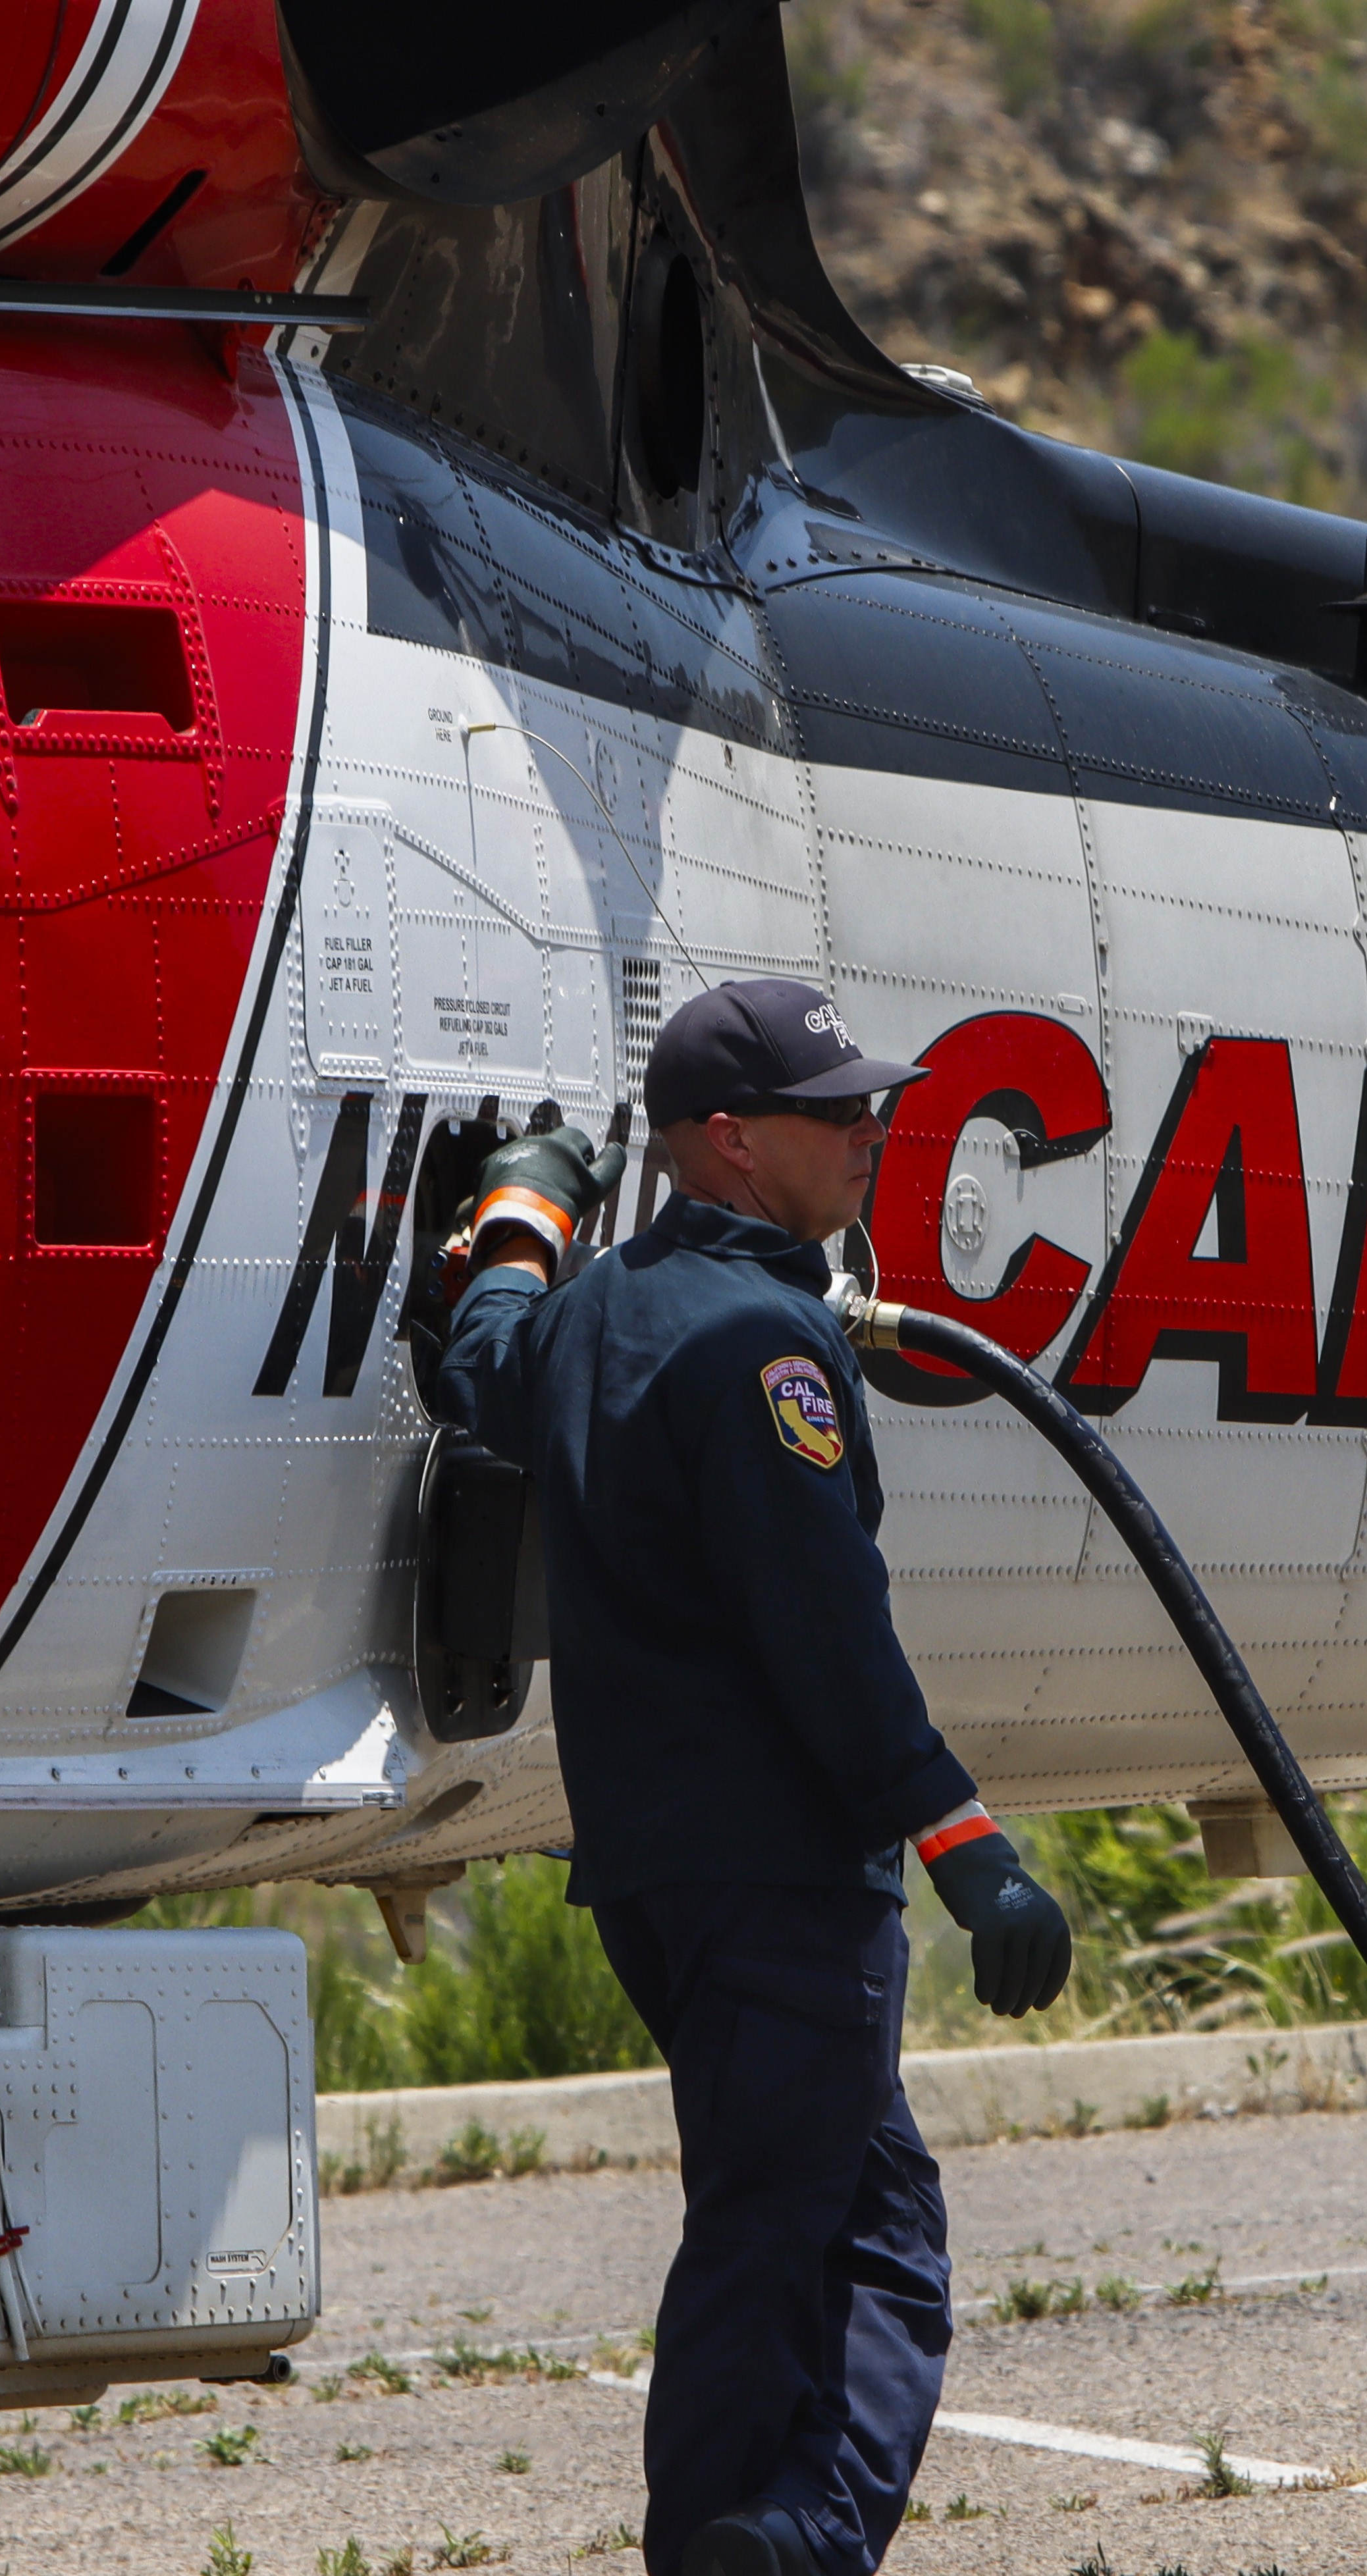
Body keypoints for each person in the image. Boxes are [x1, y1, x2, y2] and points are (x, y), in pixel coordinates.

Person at [431, 976, 1073, 2576]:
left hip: (653, 1879)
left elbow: (485, 1356)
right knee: (797, 2240)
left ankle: (769, 2533)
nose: (873, 1131)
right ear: (728, 1143)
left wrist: (523, 1204)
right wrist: (967, 1846)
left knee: (836, 2215)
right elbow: (826, 1633)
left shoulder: (602, 1312)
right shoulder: (766, 1345)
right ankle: (764, 2544)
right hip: (785, 1880)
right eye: (835, 1112)